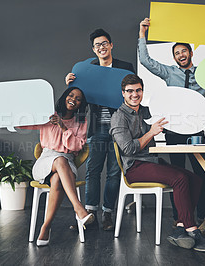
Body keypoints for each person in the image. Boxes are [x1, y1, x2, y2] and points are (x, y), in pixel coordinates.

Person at [138, 18, 205, 224]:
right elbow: (146, 62)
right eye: (177, 53)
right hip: (174, 132)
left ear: (191, 53)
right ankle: (179, 216)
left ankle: (202, 214)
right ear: (174, 57)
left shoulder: (204, 73)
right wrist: (142, 34)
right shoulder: (169, 72)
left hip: (197, 132)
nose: (181, 55)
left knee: (202, 173)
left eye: (183, 51)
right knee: (177, 175)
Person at [110, 74, 205, 252]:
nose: (134, 94)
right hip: (134, 167)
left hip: (152, 162)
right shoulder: (119, 117)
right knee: (180, 178)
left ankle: (181, 227)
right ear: (123, 93)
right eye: (130, 91)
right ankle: (192, 230)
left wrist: (204, 120)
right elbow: (128, 149)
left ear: (142, 91)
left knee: (196, 179)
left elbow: (178, 121)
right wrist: (151, 133)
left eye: (138, 90)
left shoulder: (147, 111)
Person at [65, 28, 135, 231]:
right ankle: (90, 213)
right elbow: (76, 100)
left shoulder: (125, 68)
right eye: (97, 45)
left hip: (120, 127)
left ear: (111, 45)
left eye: (105, 43)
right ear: (93, 50)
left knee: (114, 172)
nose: (102, 47)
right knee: (92, 171)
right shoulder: (85, 70)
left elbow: (133, 94)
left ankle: (108, 213)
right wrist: (71, 86)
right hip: (96, 126)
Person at [18, 87, 94, 246]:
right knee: (58, 160)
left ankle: (46, 226)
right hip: (45, 160)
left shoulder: (81, 122)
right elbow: (23, 124)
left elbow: (76, 147)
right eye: (71, 95)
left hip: (67, 162)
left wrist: (63, 127)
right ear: (65, 96)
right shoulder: (49, 113)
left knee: (59, 173)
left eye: (78, 98)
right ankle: (78, 208)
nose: (73, 99)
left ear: (81, 104)